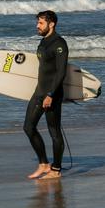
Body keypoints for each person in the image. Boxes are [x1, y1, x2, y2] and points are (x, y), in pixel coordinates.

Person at [24, 10, 68, 180]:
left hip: (52, 94)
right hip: (39, 91)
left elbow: (61, 72)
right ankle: (43, 164)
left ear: (52, 24)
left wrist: (51, 94)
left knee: (54, 132)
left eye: (41, 23)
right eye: (37, 22)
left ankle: (56, 170)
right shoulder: (43, 43)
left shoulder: (59, 44)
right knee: (28, 127)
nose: (37, 26)